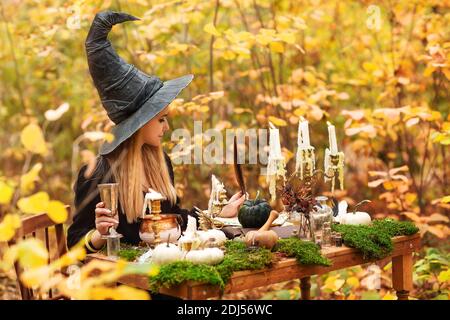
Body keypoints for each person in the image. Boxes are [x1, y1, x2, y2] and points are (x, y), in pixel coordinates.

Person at [67, 11, 245, 253]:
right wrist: (99, 235)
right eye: (161, 119)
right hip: (123, 283)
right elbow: (74, 244)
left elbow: (175, 217)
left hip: (165, 274)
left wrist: (218, 214)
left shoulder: (159, 162)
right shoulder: (97, 174)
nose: (167, 127)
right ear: (140, 122)